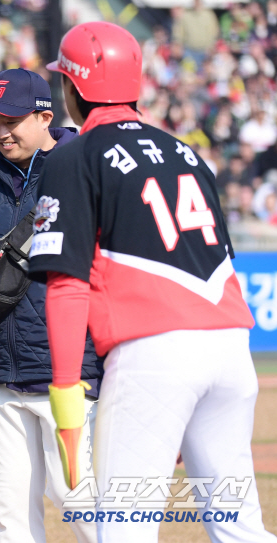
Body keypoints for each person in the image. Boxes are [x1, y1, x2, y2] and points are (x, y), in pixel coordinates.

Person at [27, 22, 277, 543]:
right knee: (239, 527)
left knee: (122, 530)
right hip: (230, 350)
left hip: (153, 354)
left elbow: (68, 285)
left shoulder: (74, 155)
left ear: (73, 87)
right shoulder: (186, 152)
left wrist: (67, 393)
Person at [0, 68, 103, 543]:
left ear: (45, 115)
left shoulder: (84, 166)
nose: (1, 132)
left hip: (67, 367)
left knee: (76, 498)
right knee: (12, 514)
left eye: (12, 120)